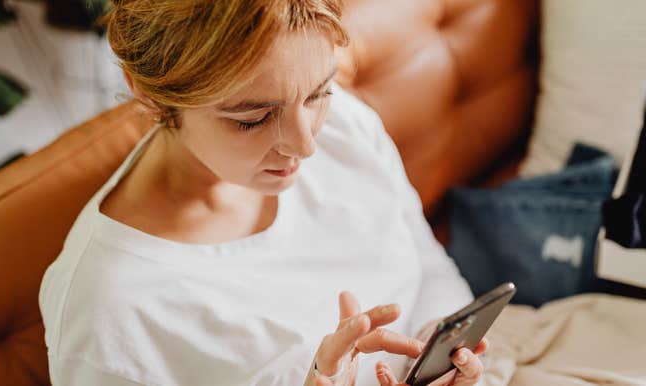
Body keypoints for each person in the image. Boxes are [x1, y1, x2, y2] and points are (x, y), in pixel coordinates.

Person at [38, 1, 488, 385]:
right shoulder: (111, 308)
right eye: (252, 119)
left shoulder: (344, 125)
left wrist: (436, 347)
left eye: (318, 93)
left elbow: (428, 267)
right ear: (150, 95)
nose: (306, 145)